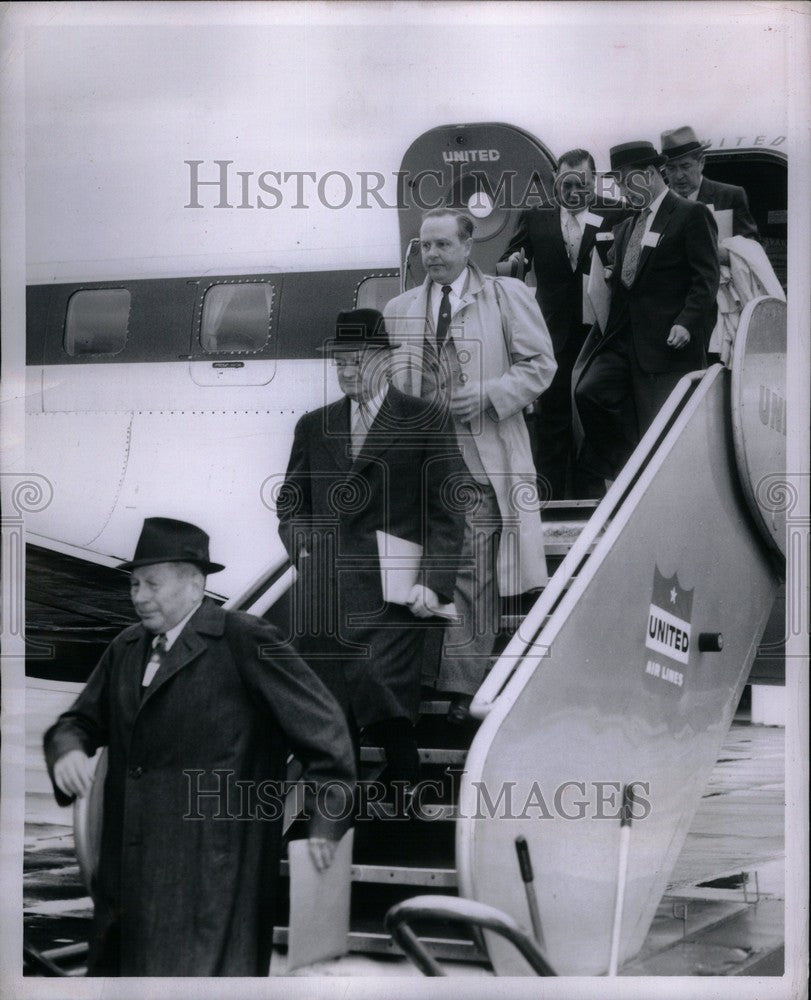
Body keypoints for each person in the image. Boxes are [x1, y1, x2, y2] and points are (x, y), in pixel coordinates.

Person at [43, 517, 356, 977]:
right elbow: (76, 722)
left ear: (195, 584)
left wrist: (325, 825)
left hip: (214, 881)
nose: (139, 596)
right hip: (127, 879)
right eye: (134, 584)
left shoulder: (244, 639)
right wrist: (68, 750)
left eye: (152, 583)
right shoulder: (126, 648)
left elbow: (326, 734)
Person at [277, 308, 466, 790]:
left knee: (379, 684)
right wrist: (304, 549)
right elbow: (290, 504)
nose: (346, 372)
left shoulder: (425, 419)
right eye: (339, 363)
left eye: (356, 362)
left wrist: (434, 581)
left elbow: (448, 508)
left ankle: (403, 793)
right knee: (330, 705)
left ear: (384, 361)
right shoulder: (314, 426)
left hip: (394, 595)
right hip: (328, 590)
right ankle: (347, 808)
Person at [384, 209, 557, 722]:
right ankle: (416, 678)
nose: (431, 255)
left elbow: (541, 366)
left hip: (483, 459)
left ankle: (461, 686)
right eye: (424, 246)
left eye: (441, 245)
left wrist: (490, 393)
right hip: (421, 464)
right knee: (417, 567)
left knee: (474, 567)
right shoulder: (399, 310)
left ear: (467, 246)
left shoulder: (507, 297)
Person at [574, 140, 720, 480]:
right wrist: (610, 275)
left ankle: (653, 483)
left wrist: (687, 322)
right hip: (624, 340)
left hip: (667, 344)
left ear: (652, 174)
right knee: (589, 391)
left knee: (666, 429)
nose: (623, 189)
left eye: (627, 180)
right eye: (620, 182)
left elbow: (706, 278)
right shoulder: (627, 225)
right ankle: (628, 468)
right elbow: (628, 277)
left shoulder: (689, 213)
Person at [500, 149, 629, 499]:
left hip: (600, 332)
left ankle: (595, 495)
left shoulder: (616, 211)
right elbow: (509, 260)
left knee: (595, 411)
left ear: (594, 179)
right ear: (557, 179)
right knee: (553, 416)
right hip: (552, 332)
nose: (574, 192)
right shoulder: (536, 215)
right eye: (566, 183)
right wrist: (513, 262)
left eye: (582, 184)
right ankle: (552, 500)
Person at [661, 125, 759, 260]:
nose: (678, 176)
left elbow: (751, 248)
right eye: (671, 168)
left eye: (685, 166)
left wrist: (713, 253)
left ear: (701, 162)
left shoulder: (730, 195)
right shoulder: (659, 201)